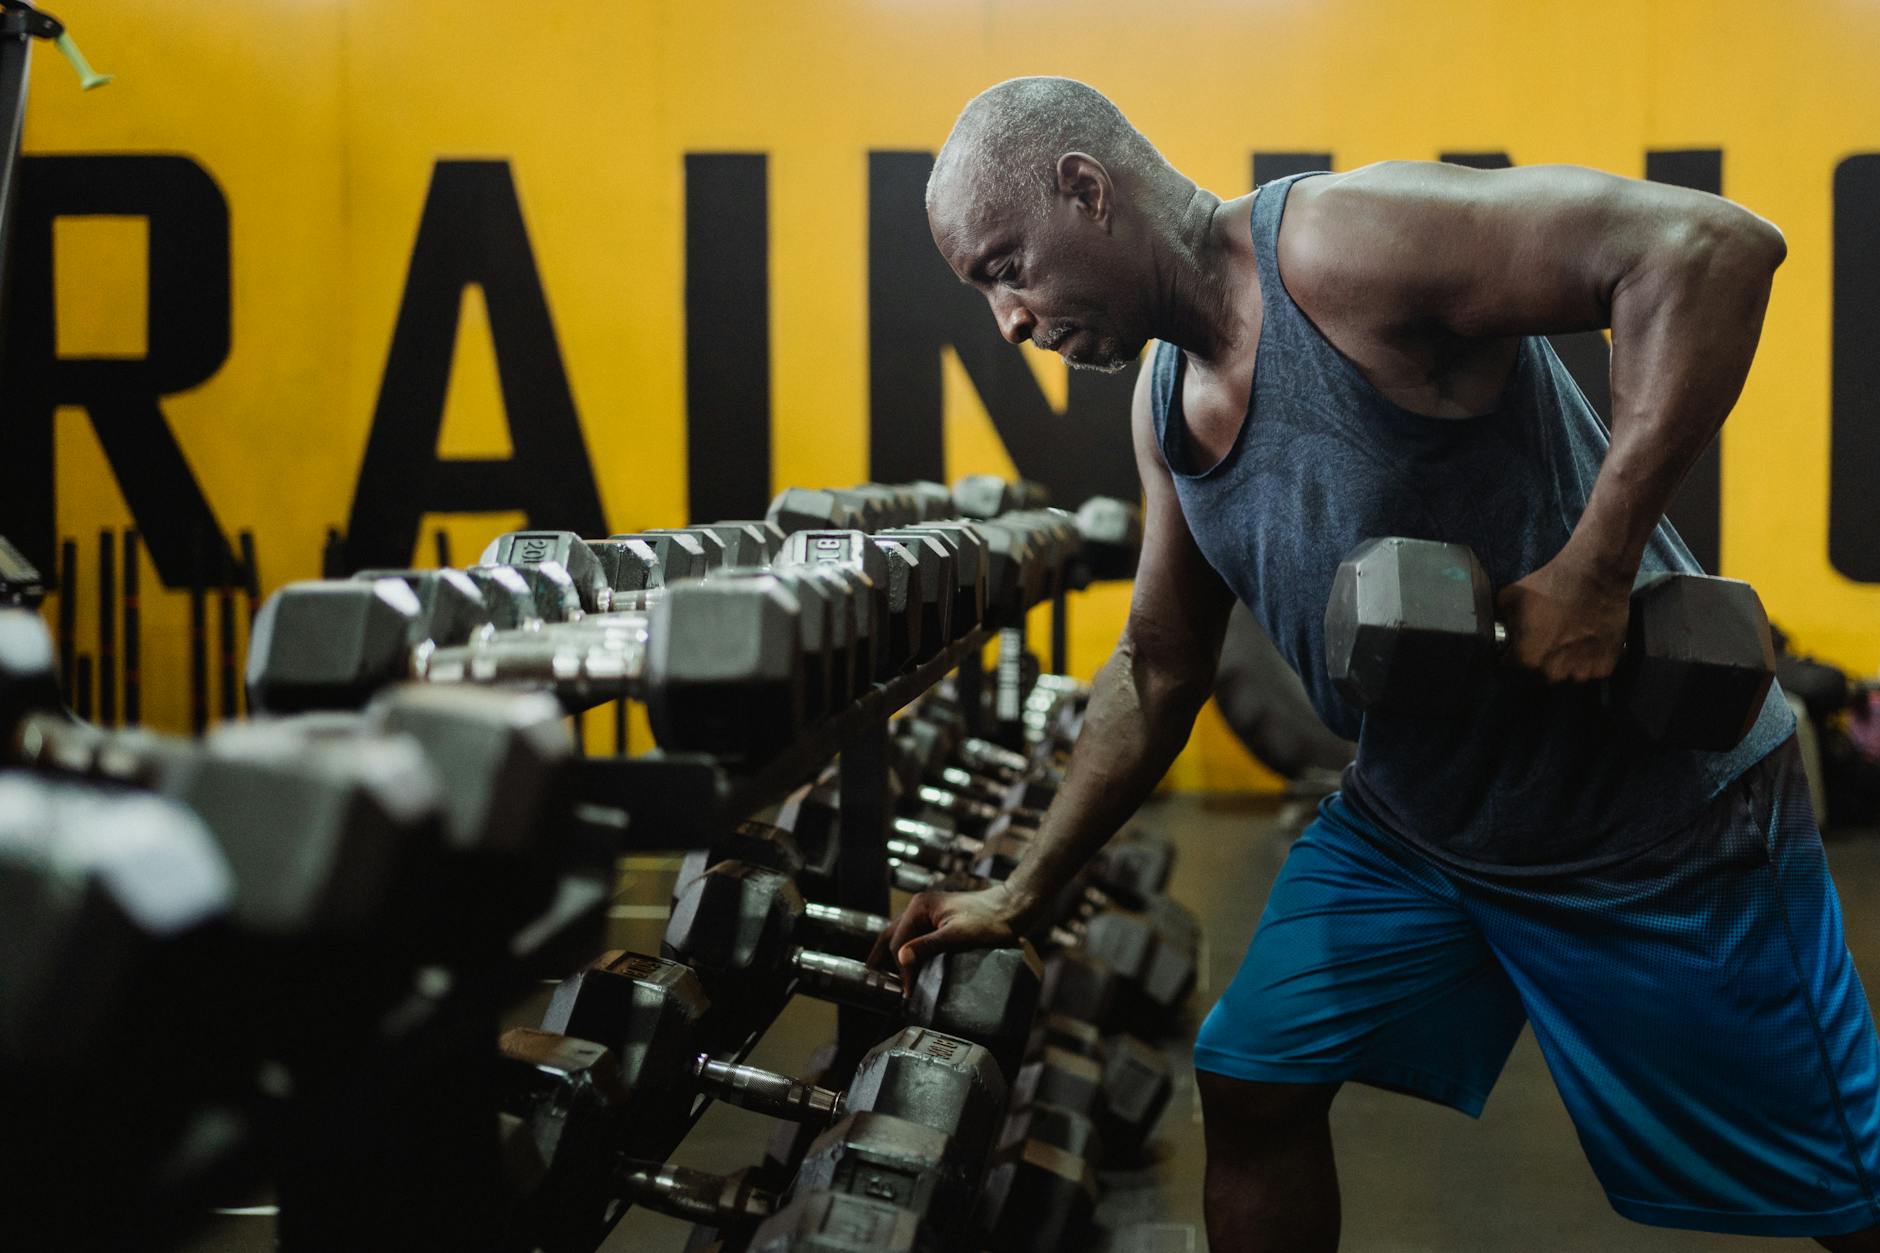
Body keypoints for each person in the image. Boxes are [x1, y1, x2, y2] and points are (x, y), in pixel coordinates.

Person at [874, 77, 1880, 1250]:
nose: (1010, 321)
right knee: (1250, 1076)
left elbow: (1708, 248)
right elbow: (1156, 667)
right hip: (1418, 827)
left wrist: (1596, 569)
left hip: (1649, 827)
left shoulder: (1344, 245)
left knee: (1843, 1192)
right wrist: (1020, 891)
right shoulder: (1163, 405)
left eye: (1005, 267)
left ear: (1085, 191)